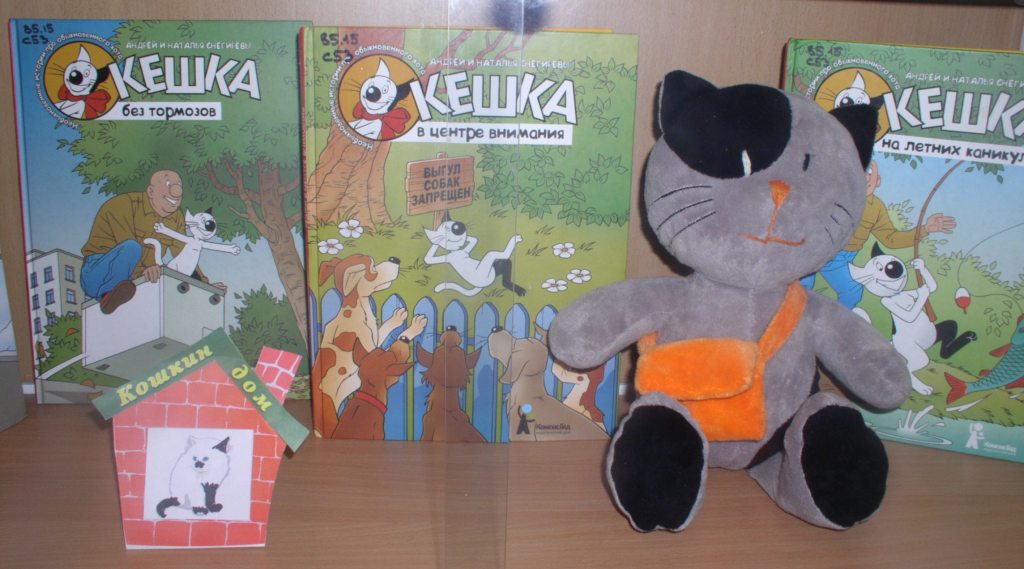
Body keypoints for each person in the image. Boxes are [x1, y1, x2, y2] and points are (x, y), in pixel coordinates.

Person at [800, 160, 956, 309]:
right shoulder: (831, 195)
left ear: (877, 180)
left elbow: (891, 238)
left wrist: (925, 229)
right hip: (815, 248)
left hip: (841, 258)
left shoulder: (876, 207)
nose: (864, 179)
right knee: (802, 284)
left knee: (852, 291)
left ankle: (836, 324)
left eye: (869, 174)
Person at [80, 170, 219, 314]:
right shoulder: (123, 205)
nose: (176, 191)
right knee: (132, 247)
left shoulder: (176, 217)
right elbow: (125, 245)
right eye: (168, 184)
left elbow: (185, 252)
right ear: (151, 191)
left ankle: (121, 296)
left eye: (178, 184)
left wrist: (206, 286)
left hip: (134, 282)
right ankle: (107, 295)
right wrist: (143, 272)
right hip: (97, 274)